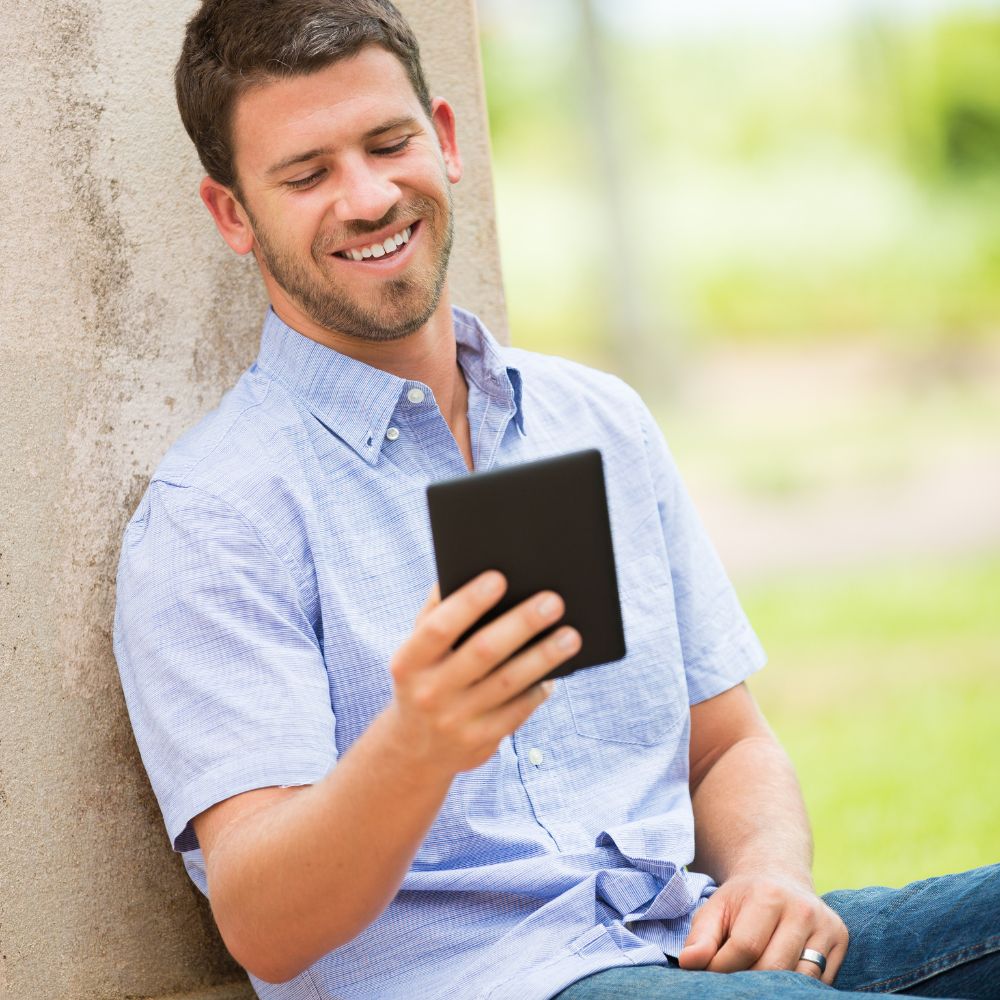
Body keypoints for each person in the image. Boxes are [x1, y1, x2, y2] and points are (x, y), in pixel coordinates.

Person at [113, 2, 999, 998]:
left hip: (685, 939)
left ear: (444, 140)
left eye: (388, 142)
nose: (366, 197)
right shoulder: (213, 517)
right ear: (233, 212)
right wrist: (416, 745)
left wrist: (767, 874)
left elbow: (728, 744)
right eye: (307, 172)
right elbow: (263, 926)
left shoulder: (596, 419)